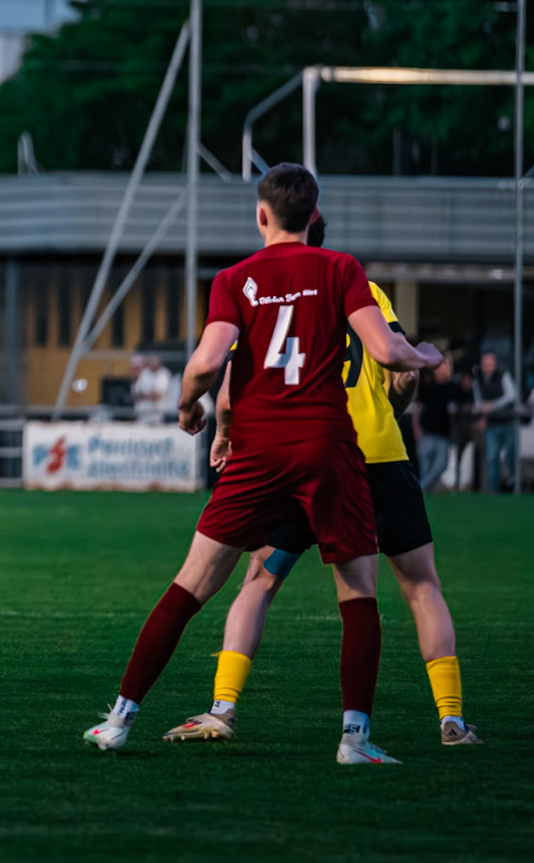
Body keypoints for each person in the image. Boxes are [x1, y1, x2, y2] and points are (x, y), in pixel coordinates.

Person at [80, 164, 441, 763]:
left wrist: (186, 404)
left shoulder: (236, 279)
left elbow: (207, 360)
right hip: (327, 445)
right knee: (358, 590)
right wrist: (422, 356)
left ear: (261, 214)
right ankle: (355, 740)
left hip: (258, 448)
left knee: (193, 583)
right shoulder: (340, 268)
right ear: (315, 215)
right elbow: (386, 350)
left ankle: (119, 719)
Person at [163, 214, 480, 748]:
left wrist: (224, 433)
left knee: (259, 582)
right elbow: (399, 377)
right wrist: (402, 389)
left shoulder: (267, 293)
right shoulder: (362, 288)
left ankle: (222, 708)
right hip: (376, 454)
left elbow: (233, 385)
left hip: (298, 456)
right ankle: (449, 720)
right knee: (419, 586)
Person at [471, 351, 520, 493]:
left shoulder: (503, 375)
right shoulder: (478, 379)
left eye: (490, 364)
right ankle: (494, 492)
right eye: (485, 364)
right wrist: (481, 412)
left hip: (508, 422)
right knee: (492, 458)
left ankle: (516, 486)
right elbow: (478, 401)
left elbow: (511, 396)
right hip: (491, 425)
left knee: (511, 456)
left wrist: (492, 405)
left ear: (494, 364)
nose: (487, 367)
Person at [413, 357, 459, 493]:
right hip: (426, 435)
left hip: (443, 436)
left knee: (441, 465)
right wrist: (417, 432)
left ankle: (420, 487)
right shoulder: (426, 387)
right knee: (425, 469)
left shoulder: (452, 388)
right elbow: (417, 409)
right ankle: (425, 498)